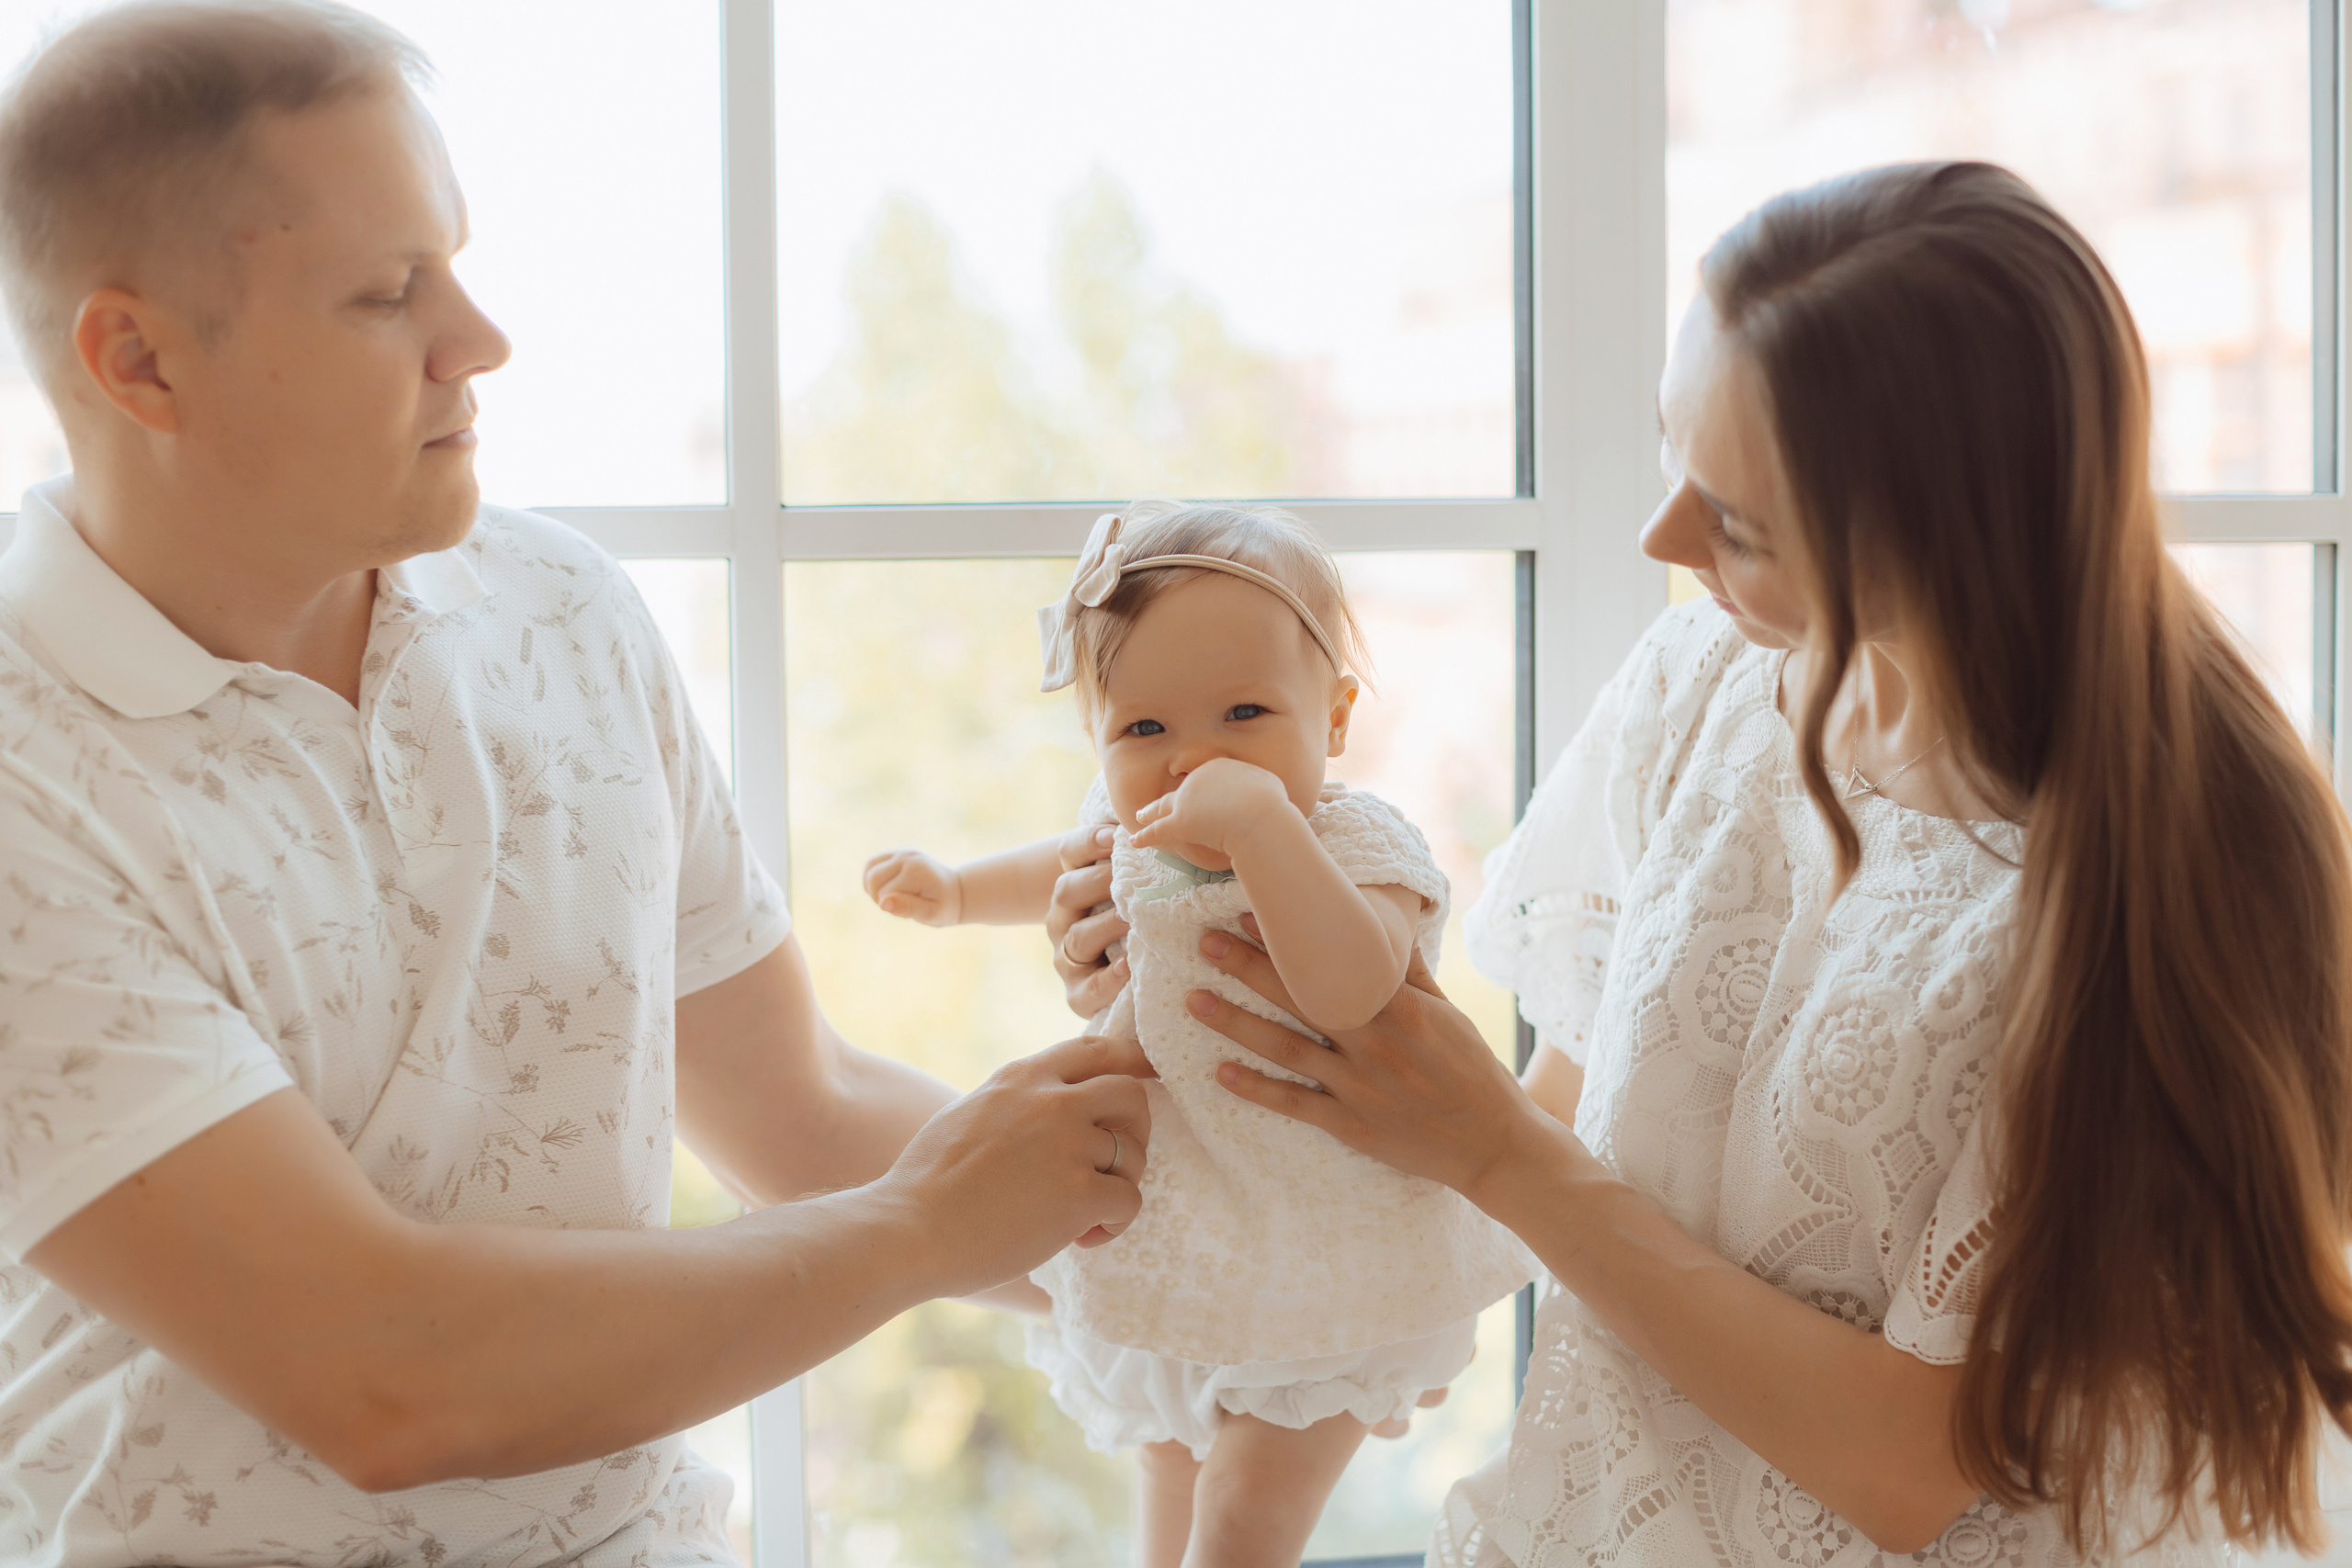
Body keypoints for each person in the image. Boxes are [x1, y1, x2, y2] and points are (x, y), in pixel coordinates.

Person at [1053, 162, 2352, 1564]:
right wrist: (1224, 1032)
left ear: (1936, 540)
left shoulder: (2109, 900)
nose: (1661, 539)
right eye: (1676, 455)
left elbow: (1912, 1468)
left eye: (1736, 521)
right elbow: (1541, 1128)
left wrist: (1491, 1147)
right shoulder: (1705, 685)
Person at [0, 5, 1153, 1565]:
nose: (478, 340)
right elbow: (380, 1371)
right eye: (387, 292)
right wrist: (929, 1227)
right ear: (137, 359)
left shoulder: (564, 607)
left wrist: (1231, 1257)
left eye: (456, 262)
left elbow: (799, 1106)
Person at [865, 501, 1534, 1567]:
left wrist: (1265, 832)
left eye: (1243, 714)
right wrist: (953, 893)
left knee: (1243, 1522)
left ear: (1335, 717)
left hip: (1330, 1246)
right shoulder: (1139, 832)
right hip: (1183, 1230)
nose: (1192, 762)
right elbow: (1064, 859)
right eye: (1144, 729)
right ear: (1097, 734)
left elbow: (1355, 988)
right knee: (1165, 1480)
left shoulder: (1353, 845)